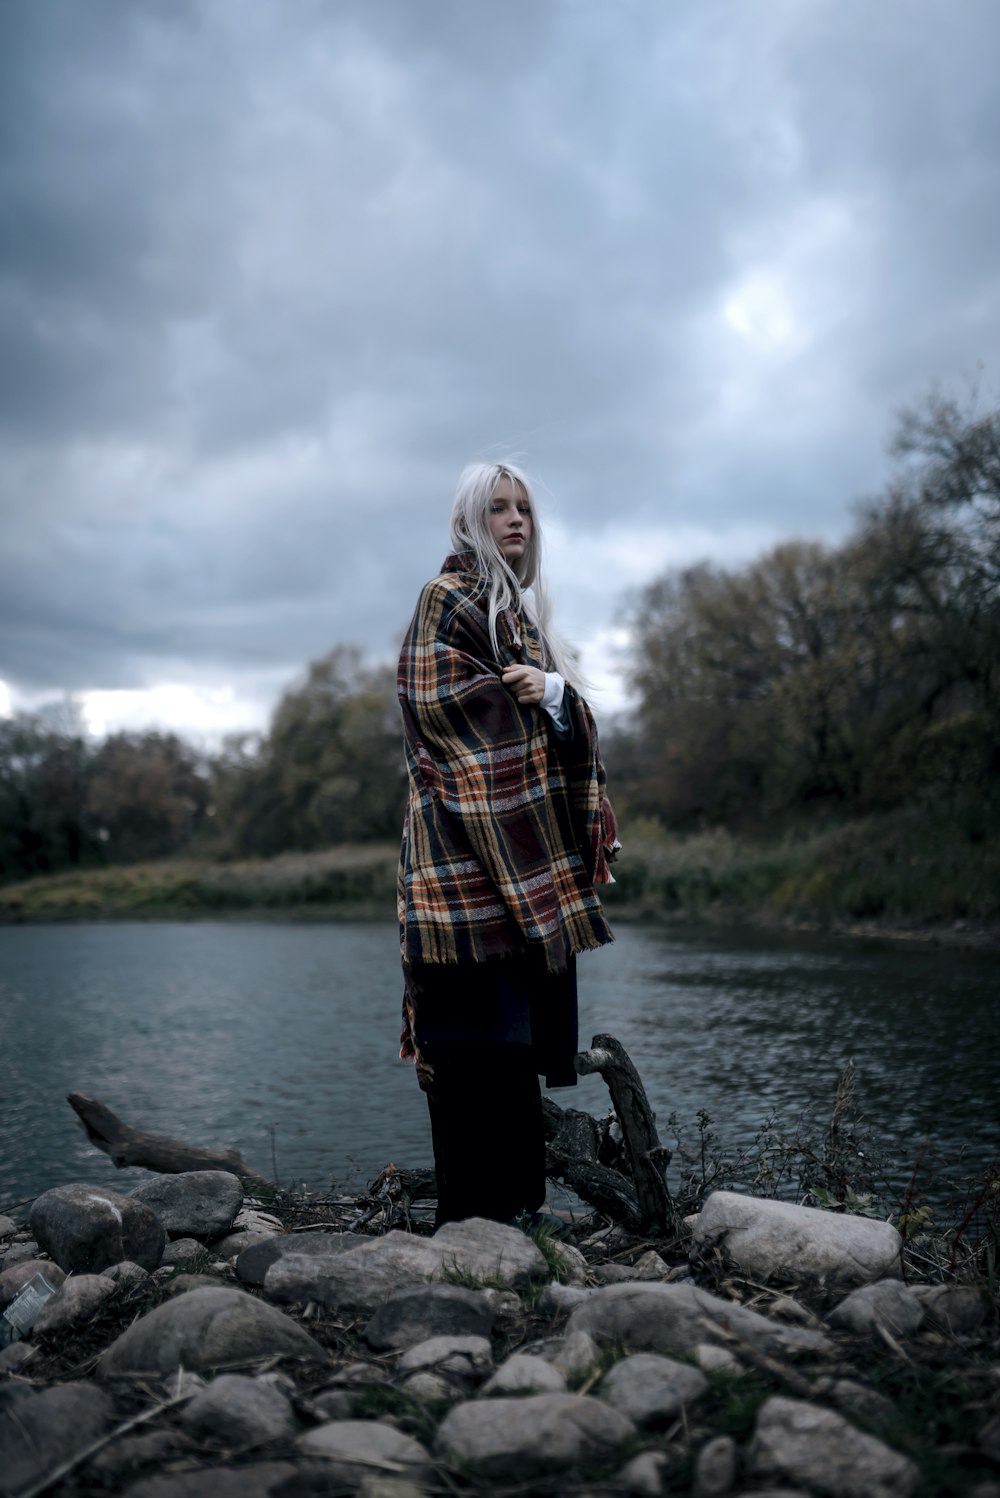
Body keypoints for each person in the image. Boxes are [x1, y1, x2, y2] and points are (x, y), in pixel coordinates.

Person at [396, 460, 619, 1228]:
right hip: (456, 865)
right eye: (498, 508)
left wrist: (556, 694)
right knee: (464, 1046)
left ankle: (522, 1214)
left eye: (523, 507)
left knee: (513, 1046)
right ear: (469, 521)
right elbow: (439, 709)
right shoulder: (445, 600)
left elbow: (570, 727)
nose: (516, 520)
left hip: (520, 874)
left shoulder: (524, 620)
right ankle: (466, 1224)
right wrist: (521, 697)